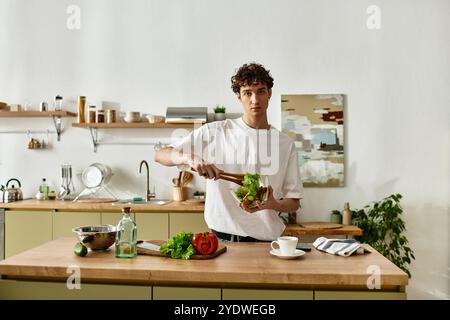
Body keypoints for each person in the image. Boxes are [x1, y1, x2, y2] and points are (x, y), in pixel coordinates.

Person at [155, 62, 303, 242]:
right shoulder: (215, 132)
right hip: (221, 239)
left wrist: (273, 204)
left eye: (261, 91)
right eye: (247, 93)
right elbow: (161, 154)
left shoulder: (285, 144)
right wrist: (189, 158)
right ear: (238, 96)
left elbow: (294, 202)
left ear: (269, 93)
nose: (254, 99)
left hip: (266, 241)